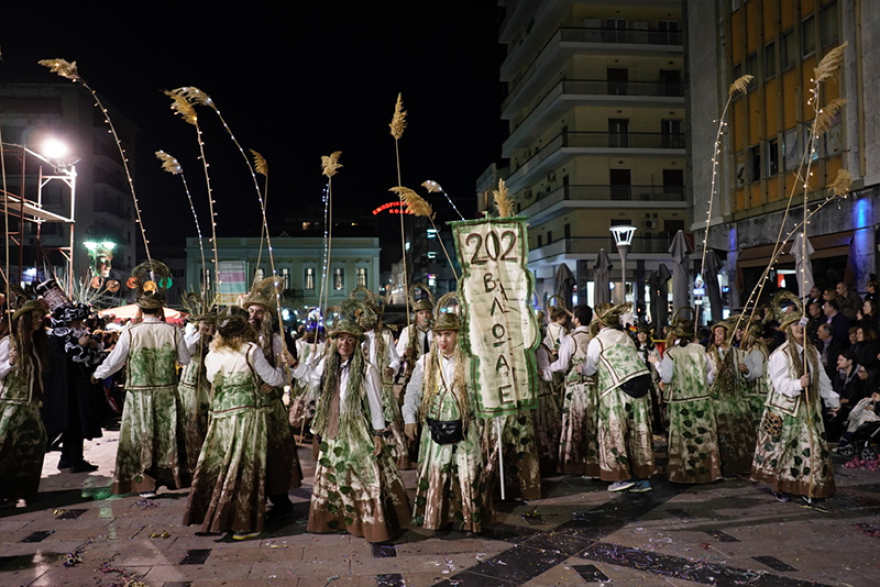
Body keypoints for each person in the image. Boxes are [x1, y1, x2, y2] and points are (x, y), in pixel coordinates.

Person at [294, 318, 410, 542]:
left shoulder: (367, 370)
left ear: (357, 344)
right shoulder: (327, 364)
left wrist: (378, 434)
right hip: (332, 427)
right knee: (333, 473)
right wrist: (294, 365)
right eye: (340, 338)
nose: (344, 343)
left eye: (350, 339)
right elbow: (313, 378)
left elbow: (376, 404)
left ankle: (368, 522)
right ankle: (337, 518)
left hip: (355, 427)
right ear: (334, 341)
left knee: (362, 473)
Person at [183, 314, 295, 540]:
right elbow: (273, 379)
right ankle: (243, 522)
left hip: (221, 417)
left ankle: (216, 515)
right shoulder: (250, 350)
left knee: (221, 465)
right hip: (247, 417)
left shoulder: (213, 353)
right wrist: (283, 371)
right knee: (245, 467)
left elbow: (211, 380)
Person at [93, 291, 191, 497]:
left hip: (139, 394)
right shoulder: (173, 331)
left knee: (140, 436)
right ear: (160, 310)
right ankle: (169, 476)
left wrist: (98, 374)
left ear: (140, 310)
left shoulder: (130, 332)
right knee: (166, 435)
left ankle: (144, 483)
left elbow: (115, 361)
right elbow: (185, 359)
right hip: (166, 392)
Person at [403, 311, 491, 533]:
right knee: (437, 472)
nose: (443, 340)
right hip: (435, 428)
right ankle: (437, 517)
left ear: (458, 336)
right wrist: (409, 419)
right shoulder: (425, 362)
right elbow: (412, 391)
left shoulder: (472, 362)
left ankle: (469, 518)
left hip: (465, 427)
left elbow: (484, 394)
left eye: (448, 334)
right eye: (439, 334)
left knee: (467, 472)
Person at [751, 313, 839, 503]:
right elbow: (778, 383)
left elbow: (822, 378)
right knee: (786, 450)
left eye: (801, 324)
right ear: (787, 330)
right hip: (786, 410)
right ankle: (781, 486)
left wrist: (831, 399)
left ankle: (810, 487)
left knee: (811, 447)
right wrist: (798, 384)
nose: (799, 327)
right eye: (794, 325)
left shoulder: (812, 352)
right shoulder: (780, 354)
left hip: (809, 409)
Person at [240, 286, 302, 520]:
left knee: (275, 452)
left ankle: (280, 499)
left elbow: (289, 371)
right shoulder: (242, 339)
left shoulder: (276, 340)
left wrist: (277, 381)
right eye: (250, 311)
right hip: (249, 405)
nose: (252, 316)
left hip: (272, 407)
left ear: (267, 316)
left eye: (258, 312)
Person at [582, 303, 655, 492]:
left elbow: (590, 368)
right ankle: (642, 477)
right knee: (638, 432)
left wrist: (580, 369)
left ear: (598, 323)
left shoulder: (597, 342)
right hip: (640, 386)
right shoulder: (626, 337)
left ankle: (620, 477)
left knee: (614, 432)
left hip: (615, 391)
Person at [649, 311, 721, 484]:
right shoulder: (700, 350)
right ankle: (707, 472)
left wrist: (656, 364)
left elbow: (666, 377)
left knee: (684, 439)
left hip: (680, 403)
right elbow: (709, 374)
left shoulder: (671, 353)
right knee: (702, 437)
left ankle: (685, 474)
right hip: (701, 400)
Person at [43, 302, 105, 473]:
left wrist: (90, 348)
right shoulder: (56, 338)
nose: (80, 326)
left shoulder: (65, 336)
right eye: (76, 323)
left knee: (75, 423)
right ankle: (74, 459)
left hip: (75, 386)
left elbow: (87, 359)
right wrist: (81, 346)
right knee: (73, 422)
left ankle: (69, 458)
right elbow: (65, 360)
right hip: (67, 388)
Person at [0, 301, 49, 506]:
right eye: (35, 317)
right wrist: (10, 363)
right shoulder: (8, 343)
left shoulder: (35, 345)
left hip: (29, 406)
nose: (39, 321)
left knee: (35, 444)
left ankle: (24, 490)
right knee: (5, 447)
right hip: (10, 404)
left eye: (40, 317)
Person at [548, 304, 599, 476]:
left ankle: (574, 463)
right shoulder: (595, 337)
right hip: (595, 386)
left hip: (576, 387)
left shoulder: (571, 338)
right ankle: (594, 463)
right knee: (593, 424)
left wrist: (546, 369)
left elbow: (562, 365)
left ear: (576, 319)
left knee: (575, 424)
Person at [706, 320, 756, 476]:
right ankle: (725, 468)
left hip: (738, 400)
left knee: (741, 434)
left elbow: (753, 376)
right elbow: (705, 379)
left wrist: (747, 371)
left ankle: (743, 466)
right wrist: (715, 371)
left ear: (728, 335)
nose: (717, 336)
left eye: (720, 333)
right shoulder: (709, 356)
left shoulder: (741, 354)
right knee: (723, 435)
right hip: (719, 402)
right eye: (715, 333)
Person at [178, 312, 216, 472]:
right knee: (190, 420)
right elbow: (185, 354)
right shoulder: (192, 338)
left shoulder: (217, 339)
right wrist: (200, 334)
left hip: (211, 384)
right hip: (192, 384)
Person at [741, 321, 771, 427]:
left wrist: (746, 371)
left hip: (757, 393)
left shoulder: (755, 351)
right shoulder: (757, 348)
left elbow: (758, 372)